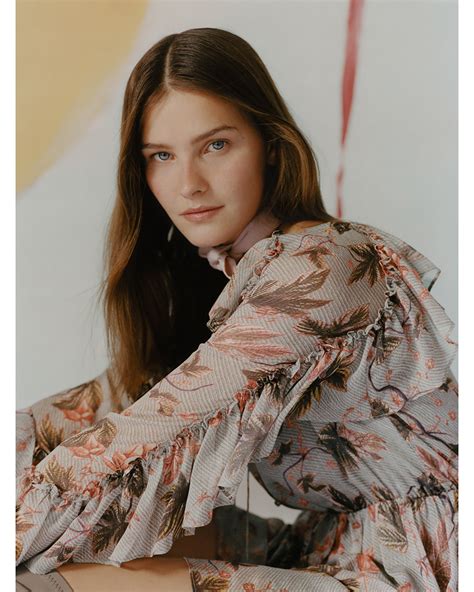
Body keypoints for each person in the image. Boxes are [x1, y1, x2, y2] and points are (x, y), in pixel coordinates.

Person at [16, 27, 458, 591]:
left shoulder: (326, 266)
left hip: (424, 565)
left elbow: (143, 437)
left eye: (216, 146)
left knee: (52, 579)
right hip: (327, 544)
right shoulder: (224, 276)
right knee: (72, 551)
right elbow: (87, 410)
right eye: (161, 156)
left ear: (270, 144)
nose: (189, 184)